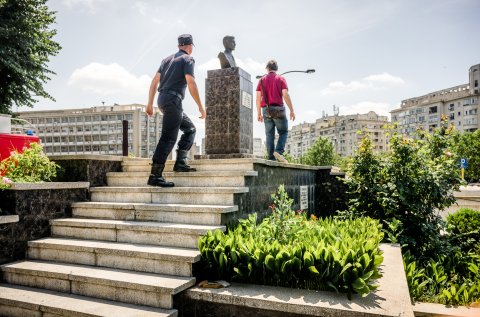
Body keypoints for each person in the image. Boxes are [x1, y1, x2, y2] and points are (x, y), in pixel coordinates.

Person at [146, 34, 206, 187]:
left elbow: (154, 82)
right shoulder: (188, 59)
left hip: (163, 99)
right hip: (173, 100)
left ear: (179, 45)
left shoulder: (166, 60)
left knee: (190, 129)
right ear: (190, 46)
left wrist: (149, 104)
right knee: (168, 138)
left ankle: (180, 162)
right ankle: (155, 175)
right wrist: (200, 106)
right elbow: (191, 82)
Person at [256, 60, 295, 163]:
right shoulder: (281, 79)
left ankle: (271, 158)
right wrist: (292, 110)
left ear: (267, 68)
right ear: (276, 68)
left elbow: (258, 98)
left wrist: (259, 113)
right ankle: (278, 151)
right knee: (283, 132)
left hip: (266, 109)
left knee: (269, 134)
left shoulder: (261, 80)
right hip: (278, 109)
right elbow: (285, 94)